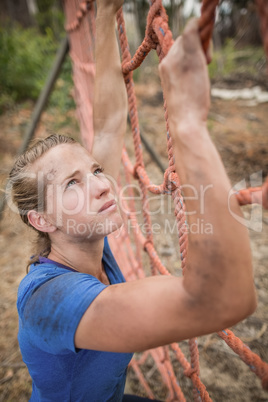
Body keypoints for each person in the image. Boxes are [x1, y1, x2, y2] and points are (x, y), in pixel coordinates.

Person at [8, 0, 257, 400]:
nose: (103, 185)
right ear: (41, 219)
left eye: (94, 171)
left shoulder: (84, 240)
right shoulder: (49, 298)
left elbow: (107, 127)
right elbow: (224, 299)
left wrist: (107, 13)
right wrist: (188, 123)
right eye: (72, 184)